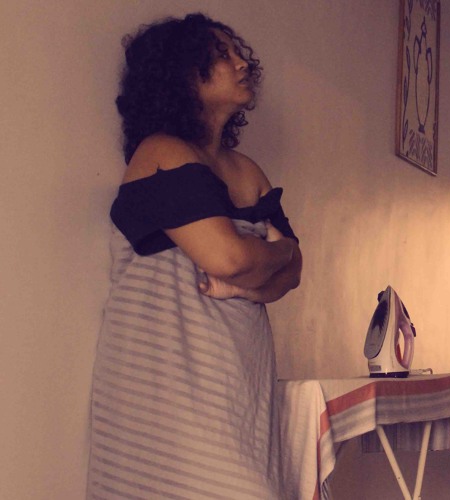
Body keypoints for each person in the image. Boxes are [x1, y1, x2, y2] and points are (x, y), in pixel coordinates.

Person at [87, 12, 301, 500]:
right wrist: (277, 252)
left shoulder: (248, 170)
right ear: (181, 74)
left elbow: (292, 275)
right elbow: (228, 259)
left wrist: (267, 269)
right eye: (221, 54)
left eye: (237, 51)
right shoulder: (160, 151)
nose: (242, 62)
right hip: (167, 376)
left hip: (237, 375)